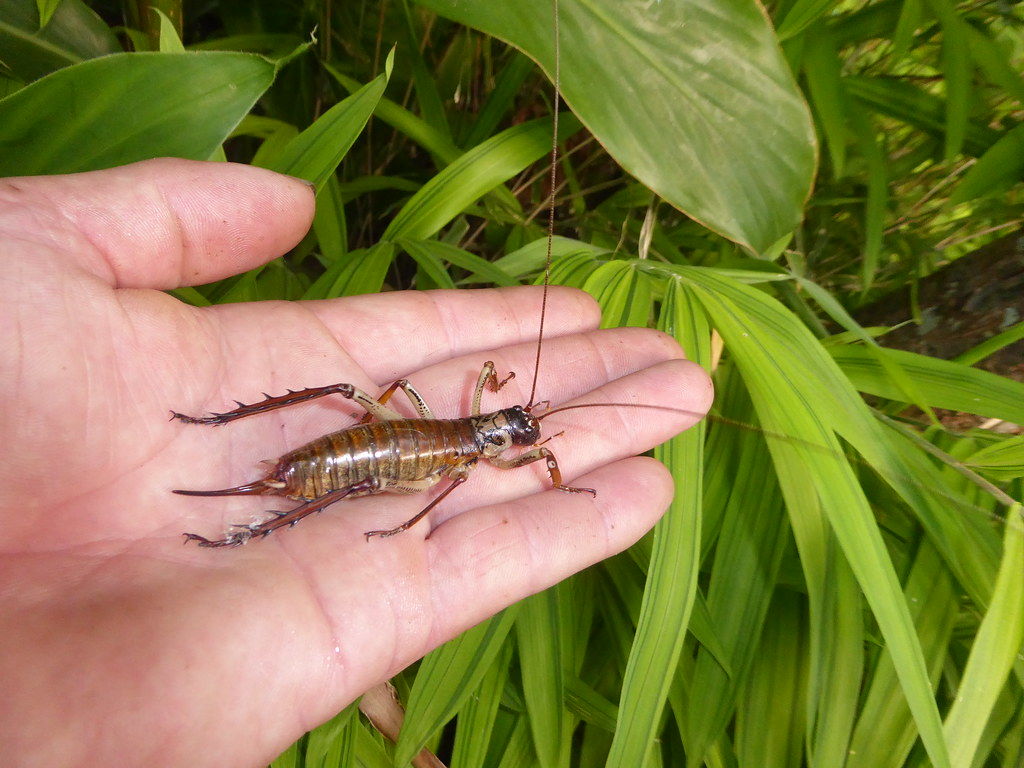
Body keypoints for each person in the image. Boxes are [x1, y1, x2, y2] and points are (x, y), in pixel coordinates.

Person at [0, 158, 712, 766]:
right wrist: (443, 513)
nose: (524, 433)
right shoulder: (475, 464)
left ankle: (233, 479)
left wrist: (496, 433)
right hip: (393, 454)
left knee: (357, 419)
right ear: (506, 436)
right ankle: (238, 500)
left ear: (501, 428)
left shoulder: (474, 443)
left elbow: (425, 393)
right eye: (520, 428)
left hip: (400, 441)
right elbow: (471, 454)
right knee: (359, 462)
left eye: (520, 430)